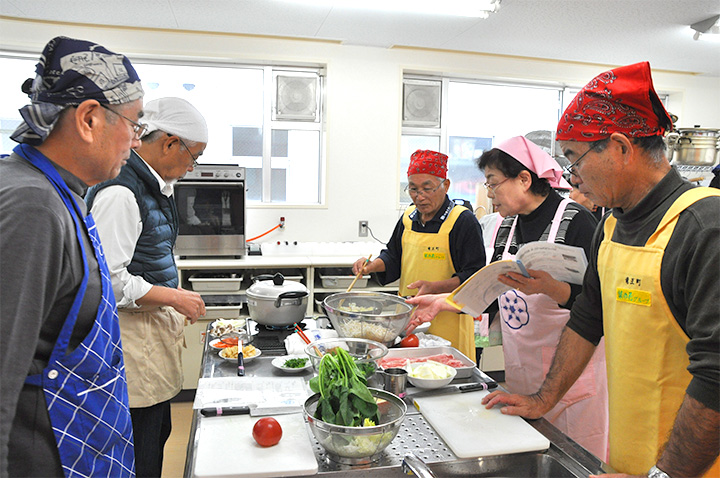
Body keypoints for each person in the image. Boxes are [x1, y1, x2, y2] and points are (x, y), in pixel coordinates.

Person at [481, 62, 720, 477]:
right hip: (631, 454)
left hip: (689, 466)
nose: (570, 175)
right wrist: (543, 398)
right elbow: (589, 317)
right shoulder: (611, 225)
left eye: (575, 157)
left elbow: (717, 374)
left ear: (620, 147)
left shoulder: (703, 227)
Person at [407, 136, 609, 459]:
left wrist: (548, 287)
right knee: (529, 453)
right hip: (522, 373)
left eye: (493, 183)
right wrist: (443, 302)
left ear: (525, 179)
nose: (488, 193)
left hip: (573, 382)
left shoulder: (576, 221)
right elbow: (491, 290)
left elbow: (595, 305)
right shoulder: (507, 227)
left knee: (572, 460)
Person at [0, 36, 143, 477]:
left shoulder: (62, 194)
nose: (135, 141)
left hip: (84, 444)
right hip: (50, 453)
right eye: (134, 124)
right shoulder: (33, 206)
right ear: (89, 119)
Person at [86, 97, 208, 478]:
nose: (191, 168)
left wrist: (170, 293)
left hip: (149, 335)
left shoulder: (154, 186)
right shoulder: (122, 192)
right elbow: (110, 279)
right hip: (131, 342)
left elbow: (147, 255)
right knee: (142, 446)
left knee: (159, 431)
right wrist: (174, 295)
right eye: (193, 157)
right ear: (170, 142)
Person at [352, 150, 485, 360]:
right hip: (410, 317)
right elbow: (393, 256)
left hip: (447, 318)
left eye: (427, 188)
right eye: (413, 189)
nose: (419, 196)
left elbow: (474, 277)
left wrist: (434, 287)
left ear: (446, 185)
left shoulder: (462, 221)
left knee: (444, 373)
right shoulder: (408, 218)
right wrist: (371, 266)